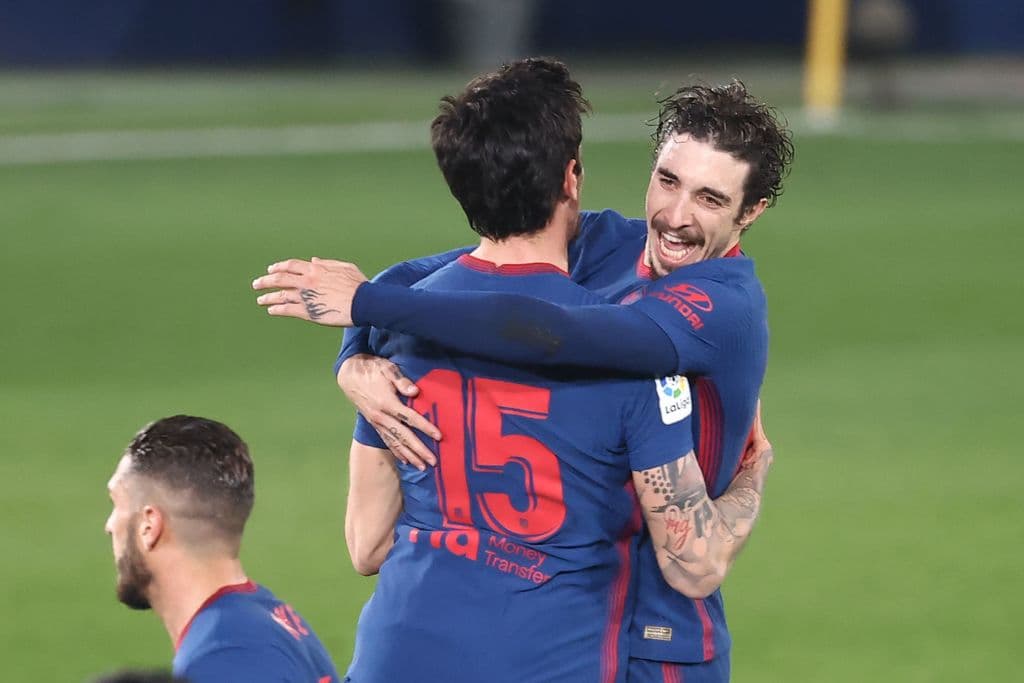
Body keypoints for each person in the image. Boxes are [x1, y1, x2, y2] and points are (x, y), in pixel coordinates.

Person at [254, 79, 791, 682]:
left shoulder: (726, 307)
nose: (676, 216)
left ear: (751, 212)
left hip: (660, 639)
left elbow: (548, 331)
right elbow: (427, 275)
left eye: (710, 199)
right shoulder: (603, 242)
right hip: (566, 621)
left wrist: (371, 313)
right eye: (668, 181)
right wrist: (355, 358)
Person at [104, 415, 340, 683]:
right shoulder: (259, 620)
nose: (109, 526)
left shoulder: (224, 658)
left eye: (116, 504)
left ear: (149, 524)